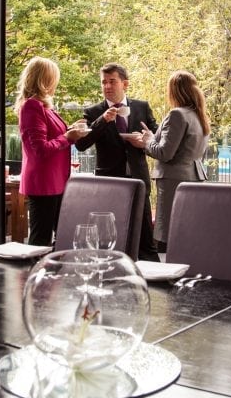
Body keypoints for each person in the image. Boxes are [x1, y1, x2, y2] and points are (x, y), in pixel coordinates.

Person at [74, 63, 160, 260]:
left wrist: (145, 141)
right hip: (109, 182)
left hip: (138, 180)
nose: (107, 86)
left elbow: (155, 137)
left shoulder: (141, 107)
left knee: (146, 240)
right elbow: (81, 144)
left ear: (125, 83)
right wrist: (102, 120)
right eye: (103, 82)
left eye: (112, 81)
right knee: (109, 239)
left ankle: (155, 286)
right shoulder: (93, 111)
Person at [125, 71, 209, 251]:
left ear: (173, 91)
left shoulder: (177, 115)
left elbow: (164, 153)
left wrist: (146, 141)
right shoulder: (198, 115)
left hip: (174, 181)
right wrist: (151, 138)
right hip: (194, 178)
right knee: (187, 231)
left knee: (173, 233)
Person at [16, 57, 87, 247]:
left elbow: (53, 137)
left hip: (56, 181)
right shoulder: (32, 106)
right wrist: (68, 137)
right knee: (40, 240)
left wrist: (70, 130)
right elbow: (40, 149)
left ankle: (53, 275)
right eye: (54, 78)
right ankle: (33, 275)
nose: (56, 83)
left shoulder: (46, 107)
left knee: (62, 236)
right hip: (43, 183)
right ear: (44, 80)